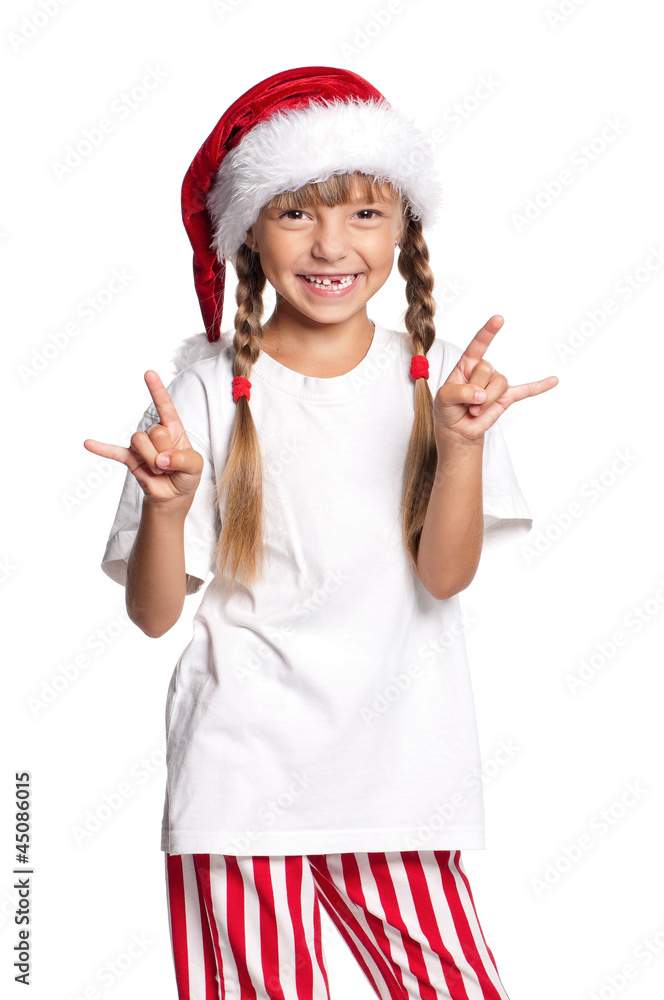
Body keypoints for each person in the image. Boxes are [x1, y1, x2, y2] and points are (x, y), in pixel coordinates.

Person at [84, 66, 557, 1000]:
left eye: (364, 214)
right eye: (296, 213)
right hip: (239, 785)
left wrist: (463, 448)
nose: (331, 244)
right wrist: (168, 511)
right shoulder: (204, 392)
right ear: (248, 234)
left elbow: (444, 576)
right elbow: (154, 616)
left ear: (403, 229)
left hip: (402, 780)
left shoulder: (444, 385)